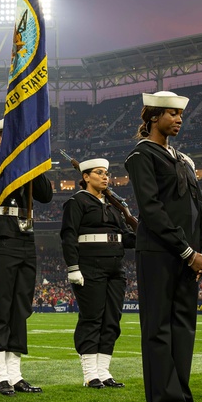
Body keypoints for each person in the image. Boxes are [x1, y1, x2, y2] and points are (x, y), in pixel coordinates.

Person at [124, 90, 202, 402]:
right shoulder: (140, 155)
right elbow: (150, 209)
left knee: (182, 333)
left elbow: (200, 206)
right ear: (153, 117)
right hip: (159, 254)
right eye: (172, 114)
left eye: (180, 115)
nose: (179, 119)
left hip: (188, 256)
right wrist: (187, 252)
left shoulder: (184, 159)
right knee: (159, 333)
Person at [0, 118, 53, 395]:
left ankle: (15, 374)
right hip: (1, 238)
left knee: (20, 309)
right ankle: (0, 376)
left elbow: (45, 194)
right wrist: (18, 156)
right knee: (1, 306)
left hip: (25, 238)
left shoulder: (27, 166)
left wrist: (34, 161)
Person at [60, 157, 135, 389]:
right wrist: (73, 267)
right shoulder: (77, 202)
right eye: (99, 173)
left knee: (112, 320)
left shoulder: (113, 207)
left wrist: (147, 232)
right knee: (92, 318)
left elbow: (125, 237)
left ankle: (104, 371)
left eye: (107, 173)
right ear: (86, 177)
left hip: (115, 269)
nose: (105, 177)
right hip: (89, 267)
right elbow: (68, 236)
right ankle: (90, 373)